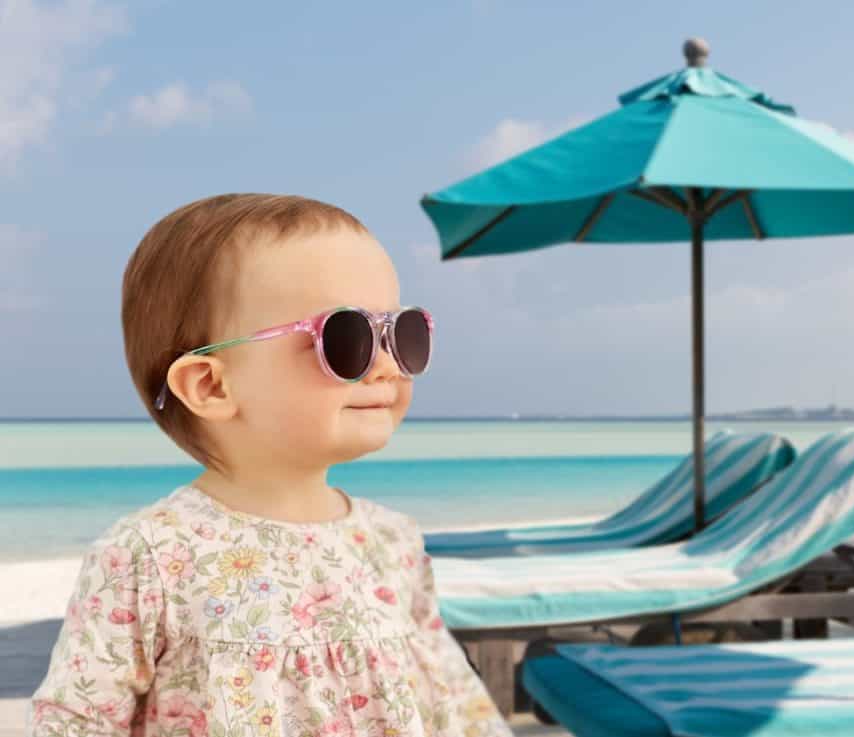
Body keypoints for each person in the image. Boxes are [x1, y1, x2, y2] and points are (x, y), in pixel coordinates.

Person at [27, 193, 513, 737]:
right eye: (346, 338)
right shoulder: (150, 558)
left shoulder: (392, 541)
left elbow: (454, 697)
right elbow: (76, 721)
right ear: (211, 385)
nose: (386, 368)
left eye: (403, 335)